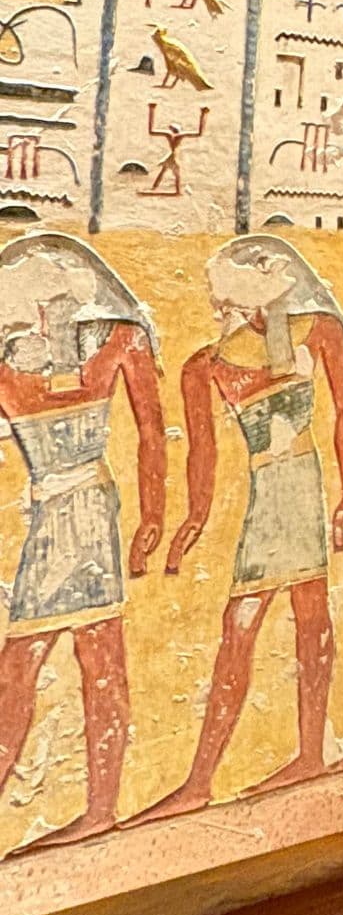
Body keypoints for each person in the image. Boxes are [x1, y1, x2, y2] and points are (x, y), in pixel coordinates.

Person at [135, 236, 343, 820]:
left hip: (301, 489)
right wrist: (193, 518)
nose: (217, 305)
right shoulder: (205, 366)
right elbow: (202, 456)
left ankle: (305, 753)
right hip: (269, 496)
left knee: (303, 616)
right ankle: (202, 778)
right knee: (243, 625)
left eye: (225, 293)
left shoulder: (315, 332)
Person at [0, 237, 165, 850]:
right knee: (23, 664)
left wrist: (154, 514)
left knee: (95, 658)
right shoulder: (12, 358)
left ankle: (101, 809)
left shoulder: (120, 340)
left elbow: (152, 430)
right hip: (55, 515)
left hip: (91, 509)